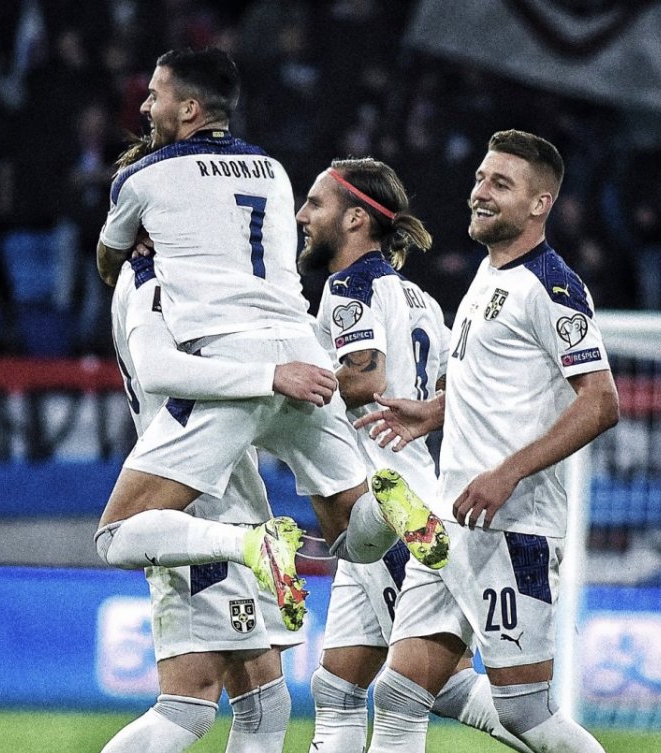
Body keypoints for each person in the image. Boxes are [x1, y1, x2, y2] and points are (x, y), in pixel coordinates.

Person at [200, 157, 658, 753]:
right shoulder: (424, 293)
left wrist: (273, 376)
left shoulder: (349, 290)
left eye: (315, 203)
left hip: (389, 506)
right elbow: (459, 385)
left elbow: (363, 379)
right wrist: (432, 412)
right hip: (416, 496)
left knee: (439, 690)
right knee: (350, 685)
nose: (303, 217)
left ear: (356, 218)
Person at [5, 249, 338, 753]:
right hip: (192, 511)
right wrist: (270, 373)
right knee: (189, 708)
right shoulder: (152, 281)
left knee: (263, 704)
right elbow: (163, 370)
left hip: (226, 497)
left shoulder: (187, 275)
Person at [92, 48, 448, 632]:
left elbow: (112, 262)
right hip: (306, 355)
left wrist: (145, 243)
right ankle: (390, 507)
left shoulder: (141, 176)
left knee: (116, 534)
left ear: (189, 108)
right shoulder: (274, 171)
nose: (145, 106)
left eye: (155, 95)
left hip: (232, 363)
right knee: (352, 536)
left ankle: (249, 544)